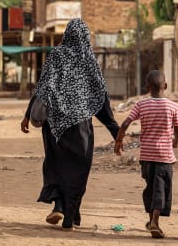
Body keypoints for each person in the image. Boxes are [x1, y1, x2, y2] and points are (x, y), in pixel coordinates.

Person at [20, 18, 120, 231]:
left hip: (54, 125)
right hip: (80, 126)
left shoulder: (56, 55)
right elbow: (100, 97)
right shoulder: (89, 60)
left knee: (56, 165)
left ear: (66, 35)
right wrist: (115, 130)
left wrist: (28, 114)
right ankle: (69, 215)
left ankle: (59, 205)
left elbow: (44, 86)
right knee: (78, 170)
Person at [114, 70, 178, 239]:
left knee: (151, 187)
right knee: (162, 188)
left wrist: (118, 141)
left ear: (147, 87)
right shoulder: (173, 106)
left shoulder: (141, 105)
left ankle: (151, 220)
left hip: (146, 155)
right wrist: (175, 141)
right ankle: (155, 222)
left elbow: (125, 123)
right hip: (165, 156)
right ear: (165, 86)